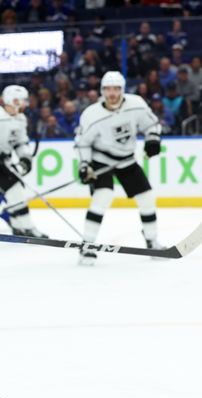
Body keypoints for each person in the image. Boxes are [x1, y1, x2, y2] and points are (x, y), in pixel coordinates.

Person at [74, 70, 163, 266]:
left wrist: (153, 140)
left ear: (122, 90)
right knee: (102, 196)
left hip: (127, 159)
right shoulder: (91, 114)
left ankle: (152, 241)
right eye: (107, 89)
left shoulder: (136, 104)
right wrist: (85, 165)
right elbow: (82, 143)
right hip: (101, 160)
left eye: (116, 89)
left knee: (147, 198)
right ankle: (87, 245)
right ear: (102, 91)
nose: (112, 93)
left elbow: (152, 125)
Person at [0, 85, 47, 238]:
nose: (25, 103)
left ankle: (20, 226)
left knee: (15, 191)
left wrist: (25, 159)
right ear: (13, 100)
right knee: (12, 191)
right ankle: (27, 227)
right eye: (22, 100)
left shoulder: (21, 119)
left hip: (2, 162)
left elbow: (21, 142)